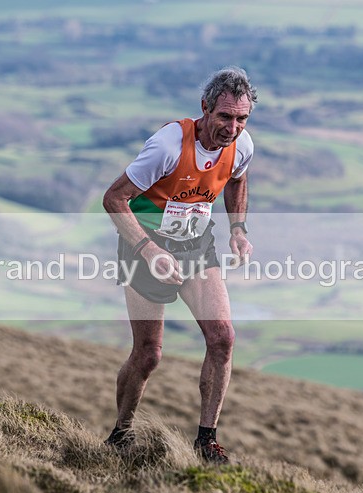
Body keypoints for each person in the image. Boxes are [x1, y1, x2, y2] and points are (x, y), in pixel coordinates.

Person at [102, 66, 257, 464]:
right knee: (148, 354)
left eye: (242, 118)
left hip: (196, 247)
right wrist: (148, 249)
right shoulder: (168, 146)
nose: (233, 127)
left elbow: (238, 179)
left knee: (223, 339)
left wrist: (237, 229)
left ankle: (206, 441)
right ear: (205, 108)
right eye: (225, 117)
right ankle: (121, 435)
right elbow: (114, 199)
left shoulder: (242, 146)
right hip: (145, 246)